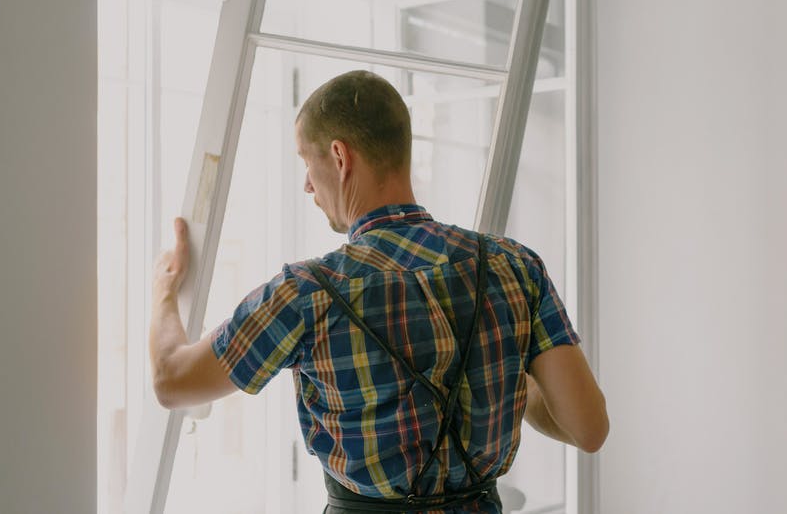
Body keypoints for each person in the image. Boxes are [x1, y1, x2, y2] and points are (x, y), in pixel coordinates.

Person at [149, 70, 608, 513]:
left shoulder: (307, 293)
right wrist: (501, 367)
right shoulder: (513, 266)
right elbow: (589, 429)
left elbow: (171, 380)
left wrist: (164, 292)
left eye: (307, 162)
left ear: (340, 157)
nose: (307, 184)